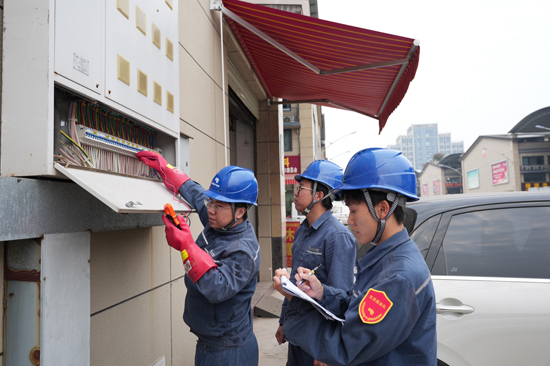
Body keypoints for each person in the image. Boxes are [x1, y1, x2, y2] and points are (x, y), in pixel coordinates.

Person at [273, 148, 437, 366]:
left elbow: (345, 346)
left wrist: (294, 301)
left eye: (353, 211)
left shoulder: (397, 277)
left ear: (382, 209)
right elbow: (358, 307)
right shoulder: (386, 258)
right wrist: (323, 293)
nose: (349, 220)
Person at [137, 151, 261, 366]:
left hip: (228, 351)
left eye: (218, 205)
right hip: (210, 344)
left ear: (240, 211)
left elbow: (216, 287)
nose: (210, 210)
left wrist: (186, 245)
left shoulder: (243, 251)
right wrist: (166, 169)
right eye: (210, 202)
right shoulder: (221, 221)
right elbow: (194, 193)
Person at [276, 160, 356, 366]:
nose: (295, 192)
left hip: (318, 343)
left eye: (301, 187)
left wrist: (328, 351)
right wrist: (284, 321)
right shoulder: (303, 230)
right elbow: (295, 286)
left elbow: (341, 300)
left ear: (319, 196)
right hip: (298, 333)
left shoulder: (337, 236)